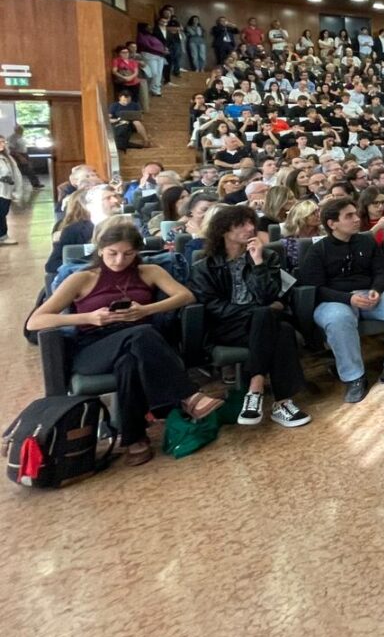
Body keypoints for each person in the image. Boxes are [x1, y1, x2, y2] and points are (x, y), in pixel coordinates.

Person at [29, 220, 216, 466]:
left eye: (128, 254)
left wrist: (145, 309)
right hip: (93, 349)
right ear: (100, 250)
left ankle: (133, 438)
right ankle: (188, 395)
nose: (119, 260)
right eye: (112, 253)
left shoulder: (149, 272)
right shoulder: (82, 278)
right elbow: (35, 321)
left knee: (130, 361)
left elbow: (185, 296)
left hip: (139, 345)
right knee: (142, 333)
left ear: (137, 252)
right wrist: (89, 317)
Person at [187, 206, 311, 427]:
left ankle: (257, 392)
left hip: (262, 323)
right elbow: (213, 307)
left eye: (251, 223)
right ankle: (279, 403)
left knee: (278, 326)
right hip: (226, 327)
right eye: (242, 224)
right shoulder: (204, 267)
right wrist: (255, 312)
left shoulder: (267, 256)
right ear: (224, 230)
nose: (251, 228)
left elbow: (270, 295)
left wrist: (258, 263)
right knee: (274, 323)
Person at [295, 197, 384, 402]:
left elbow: (381, 272)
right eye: (348, 216)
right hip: (333, 299)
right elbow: (315, 288)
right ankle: (354, 378)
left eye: (355, 214)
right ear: (332, 224)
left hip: (368, 293)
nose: (356, 219)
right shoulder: (318, 250)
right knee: (338, 318)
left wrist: (377, 290)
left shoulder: (367, 240)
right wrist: (347, 299)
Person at [0, 135, 21, 244]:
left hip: (6, 191)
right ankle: (2, 237)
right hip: (1, 191)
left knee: (2, 213)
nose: (2, 144)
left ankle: (2, 236)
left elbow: (16, 174)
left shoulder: (7, 157)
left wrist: (17, 190)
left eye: (3, 142)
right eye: (0, 142)